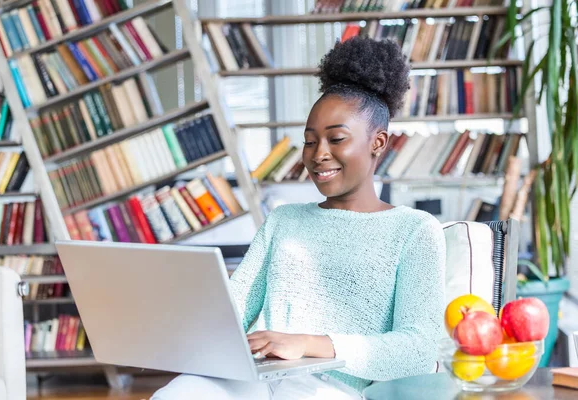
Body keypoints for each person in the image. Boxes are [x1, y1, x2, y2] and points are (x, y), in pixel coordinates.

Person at [151, 37, 446, 400]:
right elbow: (233, 310)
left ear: (378, 143)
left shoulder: (414, 230)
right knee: (178, 393)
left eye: (336, 139)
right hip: (257, 378)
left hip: (329, 386)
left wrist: (306, 344)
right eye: (309, 141)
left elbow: (418, 349)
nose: (319, 154)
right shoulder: (283, 221)